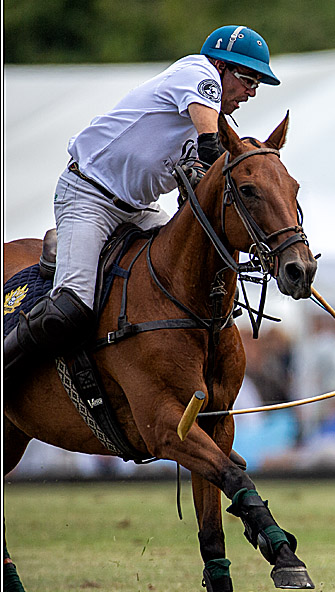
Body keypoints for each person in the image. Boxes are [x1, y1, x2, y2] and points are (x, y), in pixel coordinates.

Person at [4, 25, 280, 381]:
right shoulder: (198, 74)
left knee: (187, 270)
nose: (251, 91)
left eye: (257, 83)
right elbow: (213, 151)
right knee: (69, 308)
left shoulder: (208, 116)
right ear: (220, 65)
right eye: (247, 78)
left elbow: (198, 197)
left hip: (138, 209)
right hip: (89, 196)